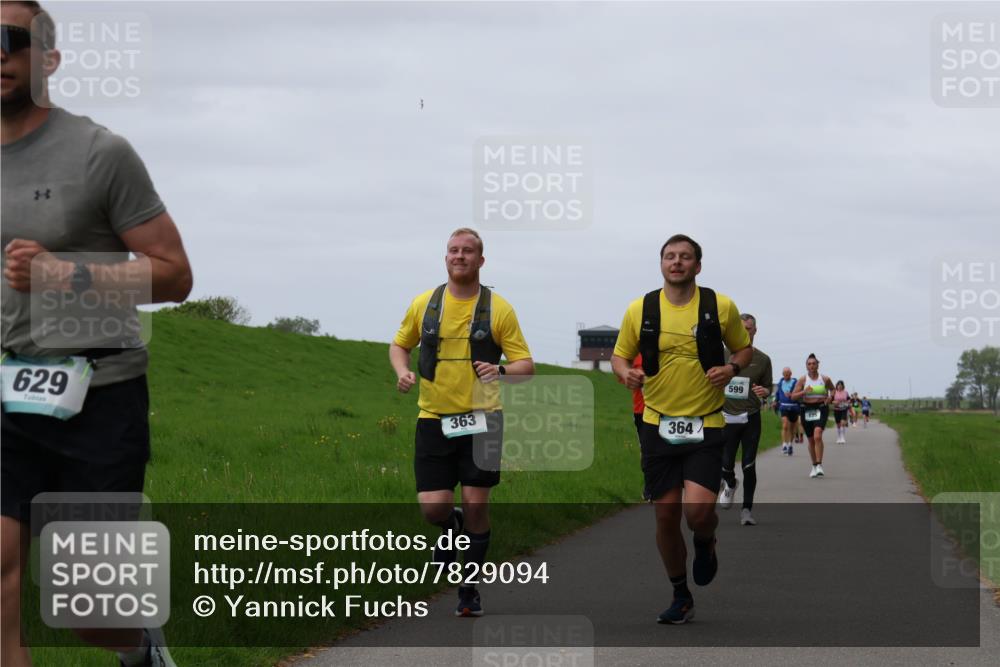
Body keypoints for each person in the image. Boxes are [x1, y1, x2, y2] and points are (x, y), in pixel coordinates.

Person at [1, 4, 193, 666]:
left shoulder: (99, 153)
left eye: (11, 41)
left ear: (48, 60)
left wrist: (64, 274)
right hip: (6, 395)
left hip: (99, 396)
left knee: (91, 609)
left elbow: (173, 276)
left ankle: (140, 648)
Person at [390, 228, 534, 617]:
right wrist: (402, 371)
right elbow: (400, 343)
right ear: (445, 257)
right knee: (433, 509)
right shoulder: (425, 303)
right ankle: (450, 527)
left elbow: (526, 366)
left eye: (468, 251)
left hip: (482, 420)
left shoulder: (498, 309)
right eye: (453, 250)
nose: (459, 256)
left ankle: (468, 588)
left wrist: (501, 371)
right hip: (433, 419)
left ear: (480, 260)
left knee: (476, 504)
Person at [611, 234, 752, 625]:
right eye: (670, 257)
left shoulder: (718, 306)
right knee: (666, 516)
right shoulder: (640, 309)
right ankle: (680, 594)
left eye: (685, 257)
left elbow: (743, 349)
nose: (677, 262)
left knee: (698, 512)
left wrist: (732, 368)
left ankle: (706, 541)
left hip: (706, 423)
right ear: (661, 264)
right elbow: (619, 357)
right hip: (657, 423)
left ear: (697, 266)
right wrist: (627, 375)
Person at [718, 314, 772, 526]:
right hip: (725, 418)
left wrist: (764, 391)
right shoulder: (721, 355)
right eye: (741, 328)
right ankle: (730, 484)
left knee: (749, 464)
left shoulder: (763, 359)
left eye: (749, 328)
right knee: (725, 464)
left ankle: (747, 510)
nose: (745, 332)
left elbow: (768, 387)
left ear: (755, 331)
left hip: (750, 417)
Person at [791, 354, 835, 478]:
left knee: (817, 435)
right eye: (809, 364)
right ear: (806, 366)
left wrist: (830, 397)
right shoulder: (803, 380)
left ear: (818, 365)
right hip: (806, 409)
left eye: (813, 363)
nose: (811, 366)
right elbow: (793, 396)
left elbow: (833, 389)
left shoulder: (825, 379)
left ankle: (820, 465)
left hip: (821, 408)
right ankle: (814, 465)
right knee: (810, 439)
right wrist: (804, 391)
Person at [774, 367, 800, 456]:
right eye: (784, 374)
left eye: (787, 374)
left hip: (794, 407)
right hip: (784, 407)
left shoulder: (795, 383)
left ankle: (790, 445)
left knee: (792, 428)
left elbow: (799, 394)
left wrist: (792, 395)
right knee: (785, 425)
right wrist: (775, 401)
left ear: (790, 374)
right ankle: (784, 445)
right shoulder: (780, 383)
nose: (786, 376)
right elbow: (777, 394)